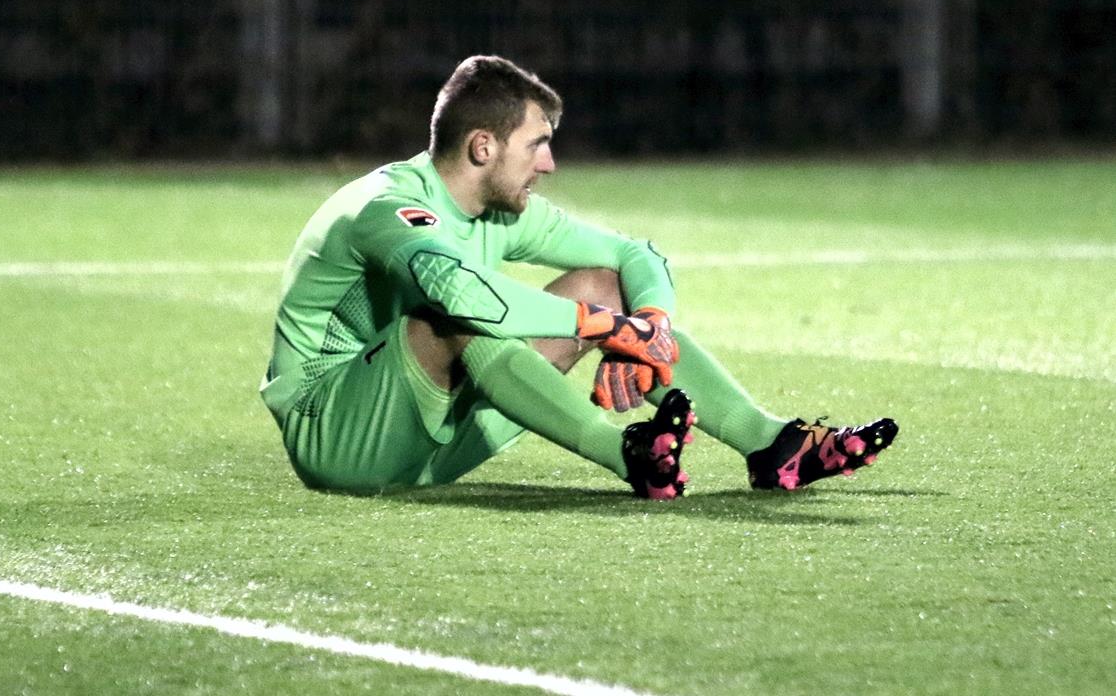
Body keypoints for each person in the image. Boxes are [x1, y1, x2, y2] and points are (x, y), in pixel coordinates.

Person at [260, 55, 898, 500]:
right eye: (536, 143)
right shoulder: (386, 209)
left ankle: (772, 445)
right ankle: (629, 456)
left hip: (433, 446)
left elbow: (635, 255)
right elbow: (462, 297)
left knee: (598, 282)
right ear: (484, 147)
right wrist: (601, 327)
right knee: (460, 314)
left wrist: (644, 327)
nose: (551, 162)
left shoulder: (500, 209)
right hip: (337, 437)